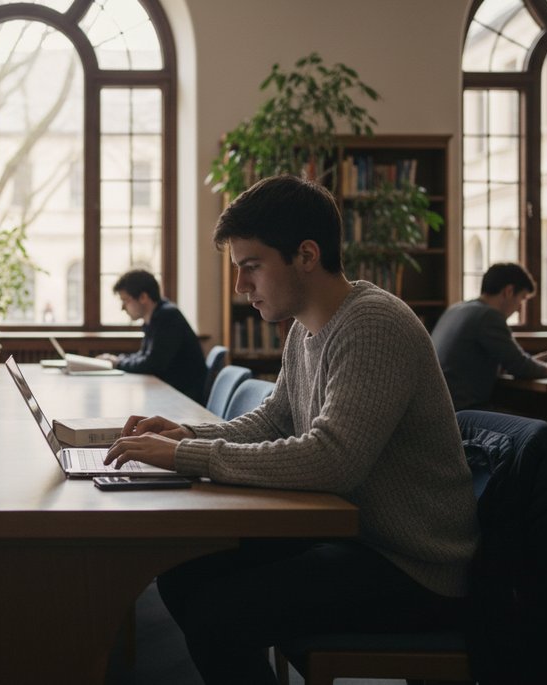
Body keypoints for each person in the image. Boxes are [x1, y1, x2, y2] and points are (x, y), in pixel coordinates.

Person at [103, 175, 479, 684]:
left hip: (412, 565)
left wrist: (189, 458)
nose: (241, 286)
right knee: (183, 568)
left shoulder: (372, 324)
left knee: (219, 615)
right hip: (356, 534)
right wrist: (187, 437)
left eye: (251, 267)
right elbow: (274, 419)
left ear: (306, 255)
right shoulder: (305, 328)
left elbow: (333, 459)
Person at [430, 262, 547, 411]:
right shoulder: (488, 316)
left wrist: (536, 361)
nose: (520, 308)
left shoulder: (456, 309)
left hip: (442, 409)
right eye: (522, 298)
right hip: (464, 411)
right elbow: (521, 368)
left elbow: (508, 364)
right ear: (508, 291)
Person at [96, 269, 207, 403]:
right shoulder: (154, 318)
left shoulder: (167, 316)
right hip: (170, 393)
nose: (122, 307)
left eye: (125, 300)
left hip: (184, 399)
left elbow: (152, 364)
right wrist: (117, 359)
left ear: (143, 297)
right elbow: (144, 356)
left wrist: (117, 363)